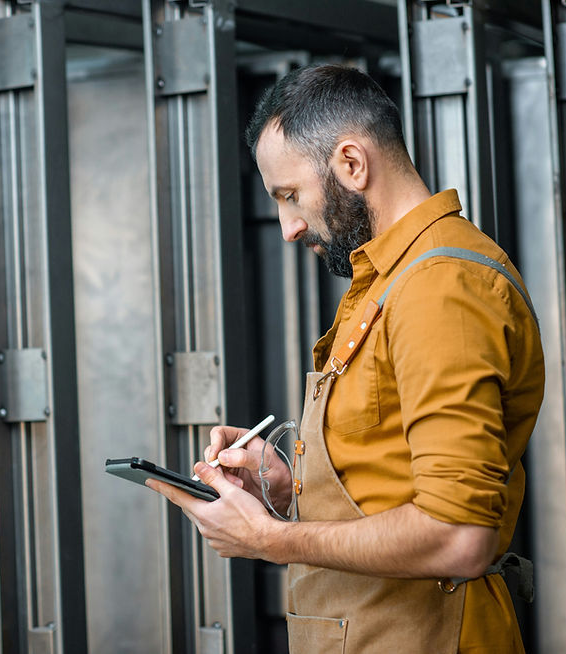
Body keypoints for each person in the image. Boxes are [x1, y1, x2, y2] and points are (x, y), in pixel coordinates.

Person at [146, 64, 544, 653]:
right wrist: (286, 494)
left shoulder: (441, 286)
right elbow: (389, 483)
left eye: (290, 195)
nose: (288, 227)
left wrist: (270, 539)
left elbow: (460, 537)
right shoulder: (391, 279)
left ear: (352, 164)